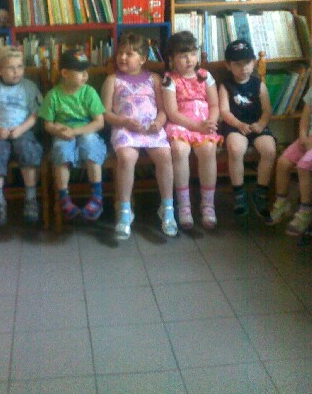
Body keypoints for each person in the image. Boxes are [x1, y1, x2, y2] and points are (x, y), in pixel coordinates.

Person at [101, 33, 174, 239]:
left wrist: (159, 122)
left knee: (165, 156)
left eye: (129, 54)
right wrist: (123, 122)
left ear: (142, 58)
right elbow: (105, 113)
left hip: (151, 128)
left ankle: (167, 207)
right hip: (124, 128)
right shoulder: (113, 80)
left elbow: (163, 110)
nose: (122, 57)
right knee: (126, 158)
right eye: (120, 53)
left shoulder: (154, 79)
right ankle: (125, 210)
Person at [162, 31, 222, 230]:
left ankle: (208, 205)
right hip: (181, 124)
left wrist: (211, 123)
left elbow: (214, 105)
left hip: (204, 123)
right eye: (182, 55)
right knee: (179, 150)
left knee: (208, 149)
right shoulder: (169, 80)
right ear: (171, 59)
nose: (189, 60)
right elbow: (172, 112)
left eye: (192, 54)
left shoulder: (205, 76)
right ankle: (184, 205)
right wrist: (196, 127)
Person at [38, 48, 107, 221]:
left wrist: (75, 131)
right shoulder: (53, 95)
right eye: (80, 72)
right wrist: (58, 130)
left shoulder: (89, 92)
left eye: (86, 71)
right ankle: (63, 197)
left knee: (90, 145)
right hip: (63, 134)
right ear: (65, 73)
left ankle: (97, 196)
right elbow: (47, 124)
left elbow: (99, 122)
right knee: (61, 151)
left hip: (86, 131)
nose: (85, 76)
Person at [0, 45, 43, 227]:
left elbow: (36, 113)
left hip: (23, 131)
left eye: (20, 66)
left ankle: (31, 199)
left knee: (27, 149)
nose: (17, 72)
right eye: (11, 68)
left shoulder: (29, 87)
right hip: (0, 132)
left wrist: (21, 129)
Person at [269, 43, 312, 235]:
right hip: (309, 138)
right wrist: (303, 136)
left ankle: (305, 210)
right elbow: (305, 118)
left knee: (304, 166)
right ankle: (282, 201)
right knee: (283, 162)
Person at [219, 39, 276, 220]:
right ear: (228, 66)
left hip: (257, 124)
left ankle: (261, 191)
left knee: (269, 149)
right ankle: (239, 192)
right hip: (235, 125)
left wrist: (261, 124)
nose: (243, 67)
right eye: (237, 64)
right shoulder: (225, 85)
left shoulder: (259, 84)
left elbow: (267, 110)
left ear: (254, 62)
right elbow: (224, 111)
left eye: (247, 62)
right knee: (236, 149)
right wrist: (238, 124)